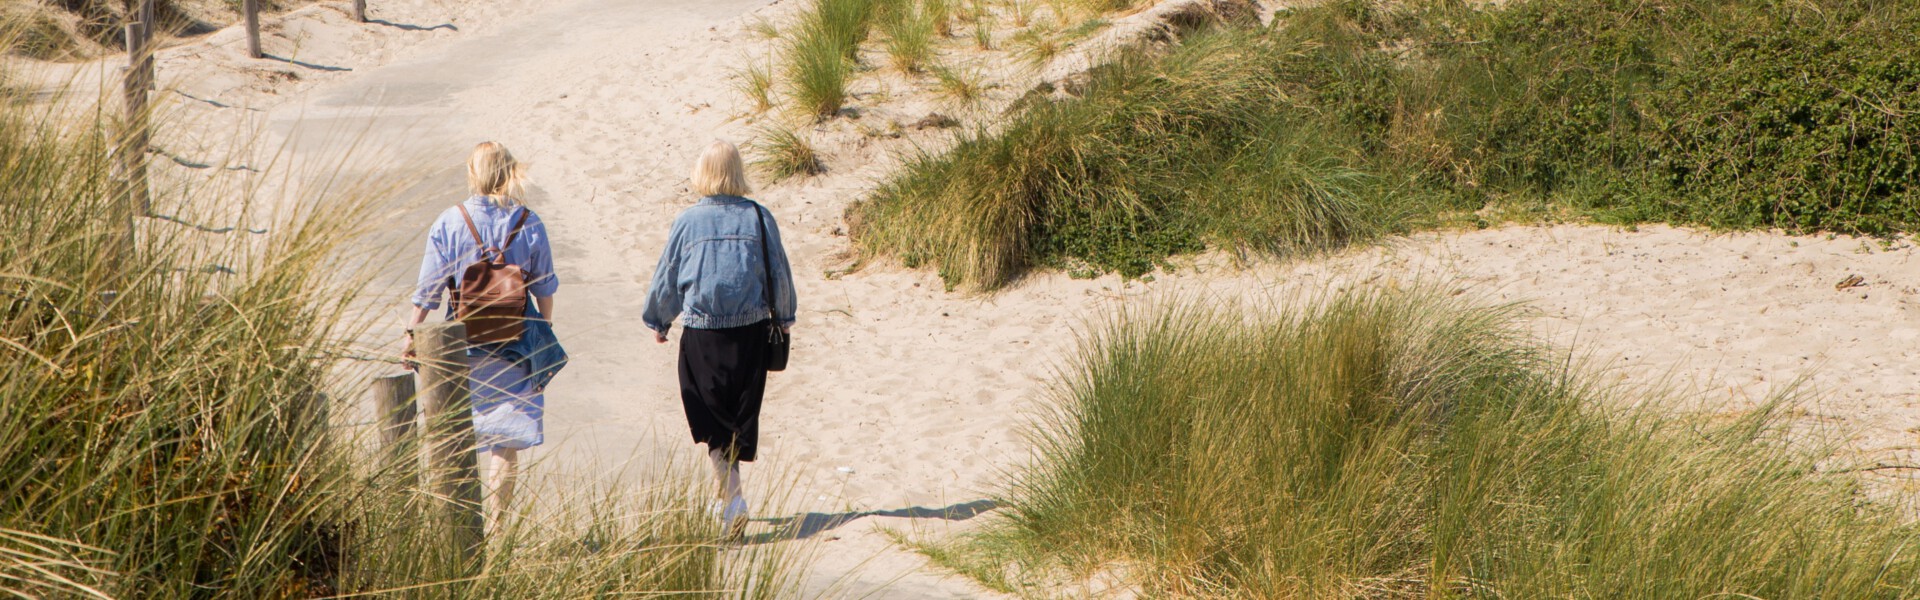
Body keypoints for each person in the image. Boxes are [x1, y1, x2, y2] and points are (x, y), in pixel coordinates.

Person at [642, 140, 797, 537]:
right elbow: (778, 272)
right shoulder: (759, 217)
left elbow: (669, 274)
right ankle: (727, 497)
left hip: (702, 334)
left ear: (703, 173)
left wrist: (659, 320)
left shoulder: (688, 221)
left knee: (712, 420)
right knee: (737, 418)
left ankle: (732, 498)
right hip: (750, 335)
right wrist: (785, 318)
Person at [404, 141, 559, 531]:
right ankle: (496, 527)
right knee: (505, 440)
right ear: (510, 172)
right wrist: (544, 332)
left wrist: (411, 335)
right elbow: (544, 289)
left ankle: (458, 527)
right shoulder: (529, 221)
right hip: (516, 343)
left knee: (457, 433)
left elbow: (428, 291)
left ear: (473, 173)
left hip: (460, 344)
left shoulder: (450, 221)